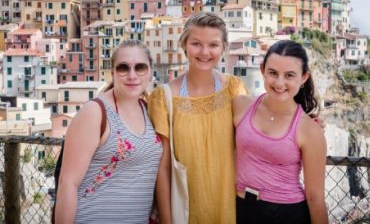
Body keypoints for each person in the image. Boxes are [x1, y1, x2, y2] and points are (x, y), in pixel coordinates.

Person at [148, 13, 247, 224]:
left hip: (230, 209)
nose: (204, 52)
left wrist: (302, 122)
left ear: (223, 48)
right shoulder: (164, 98)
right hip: (184, 212)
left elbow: (257, 126)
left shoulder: (233, 88)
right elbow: (162, 169)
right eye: (196, 44)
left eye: (213, 44)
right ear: (184, 44)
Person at [55, 40, 163, 223]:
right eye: (123, 68)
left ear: (150, 71)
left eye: (140, 67)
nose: (132, 75)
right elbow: (68, 184)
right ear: (112, 72)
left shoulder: (151, 111)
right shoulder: (95, 112)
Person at [233, 40, 328, 224]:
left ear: (303, 77)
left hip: (287, 214)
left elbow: (315, 198)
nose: (279, 82)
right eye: (273, 73)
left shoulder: (309, 130)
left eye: (289, 75)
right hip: (240, 210)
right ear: (262, 70)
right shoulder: (240, 105)